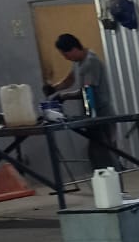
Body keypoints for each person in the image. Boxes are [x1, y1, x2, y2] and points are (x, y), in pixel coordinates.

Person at [47, 34, 115, 171]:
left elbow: (87, 92)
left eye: (65, 54)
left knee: (104, 154)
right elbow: (70, 79)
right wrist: (54, 88)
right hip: (91, 115)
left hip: (101, 115)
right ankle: (106, 178)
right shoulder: (78, 62)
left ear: (73, 49)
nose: (66, 58)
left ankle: (114, 179)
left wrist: (63, 96)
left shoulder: (90, 63)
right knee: (96, 153)